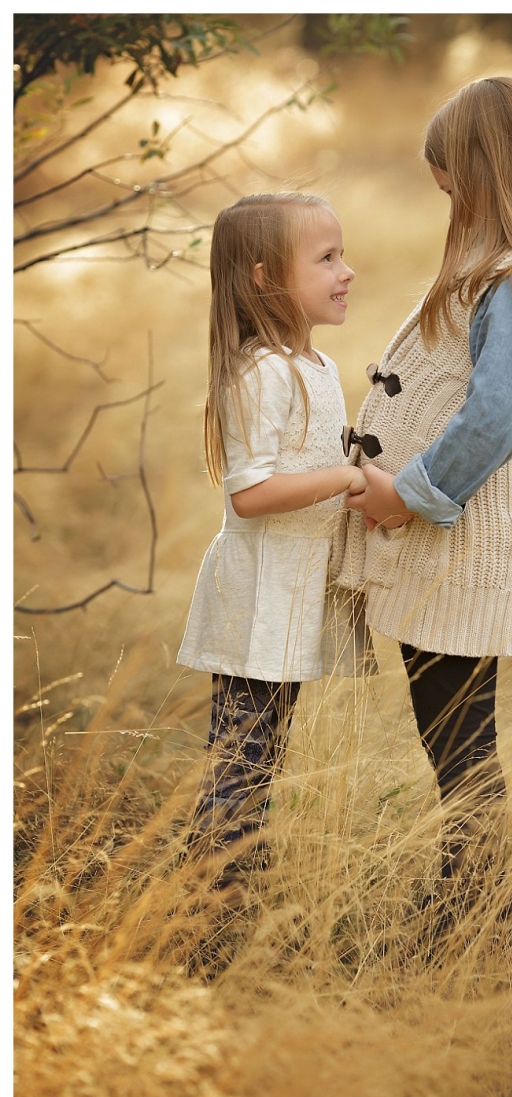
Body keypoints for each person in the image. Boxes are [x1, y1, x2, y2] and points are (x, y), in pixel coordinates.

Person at [337, 77, 512, 885]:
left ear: (485, 172)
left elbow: (501, 417)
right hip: (458, 543)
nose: (450, 202)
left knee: (459, 740)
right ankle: (468, 894)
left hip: (464, 540)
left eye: (454, 186)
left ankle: (469, 903)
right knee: (454, 734)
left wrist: (406, 491)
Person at [177, 192, 369, 889]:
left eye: (342, 254)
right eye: (326, 258)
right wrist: (343, 478)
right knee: (241, 762)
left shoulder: (315, 366)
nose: (346, 271)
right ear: (265, 277)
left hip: (289, 598)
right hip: (257, 595)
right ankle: (206, 899)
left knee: (262, 755)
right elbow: (251, 494)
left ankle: (239, 883)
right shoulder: (262, 371)